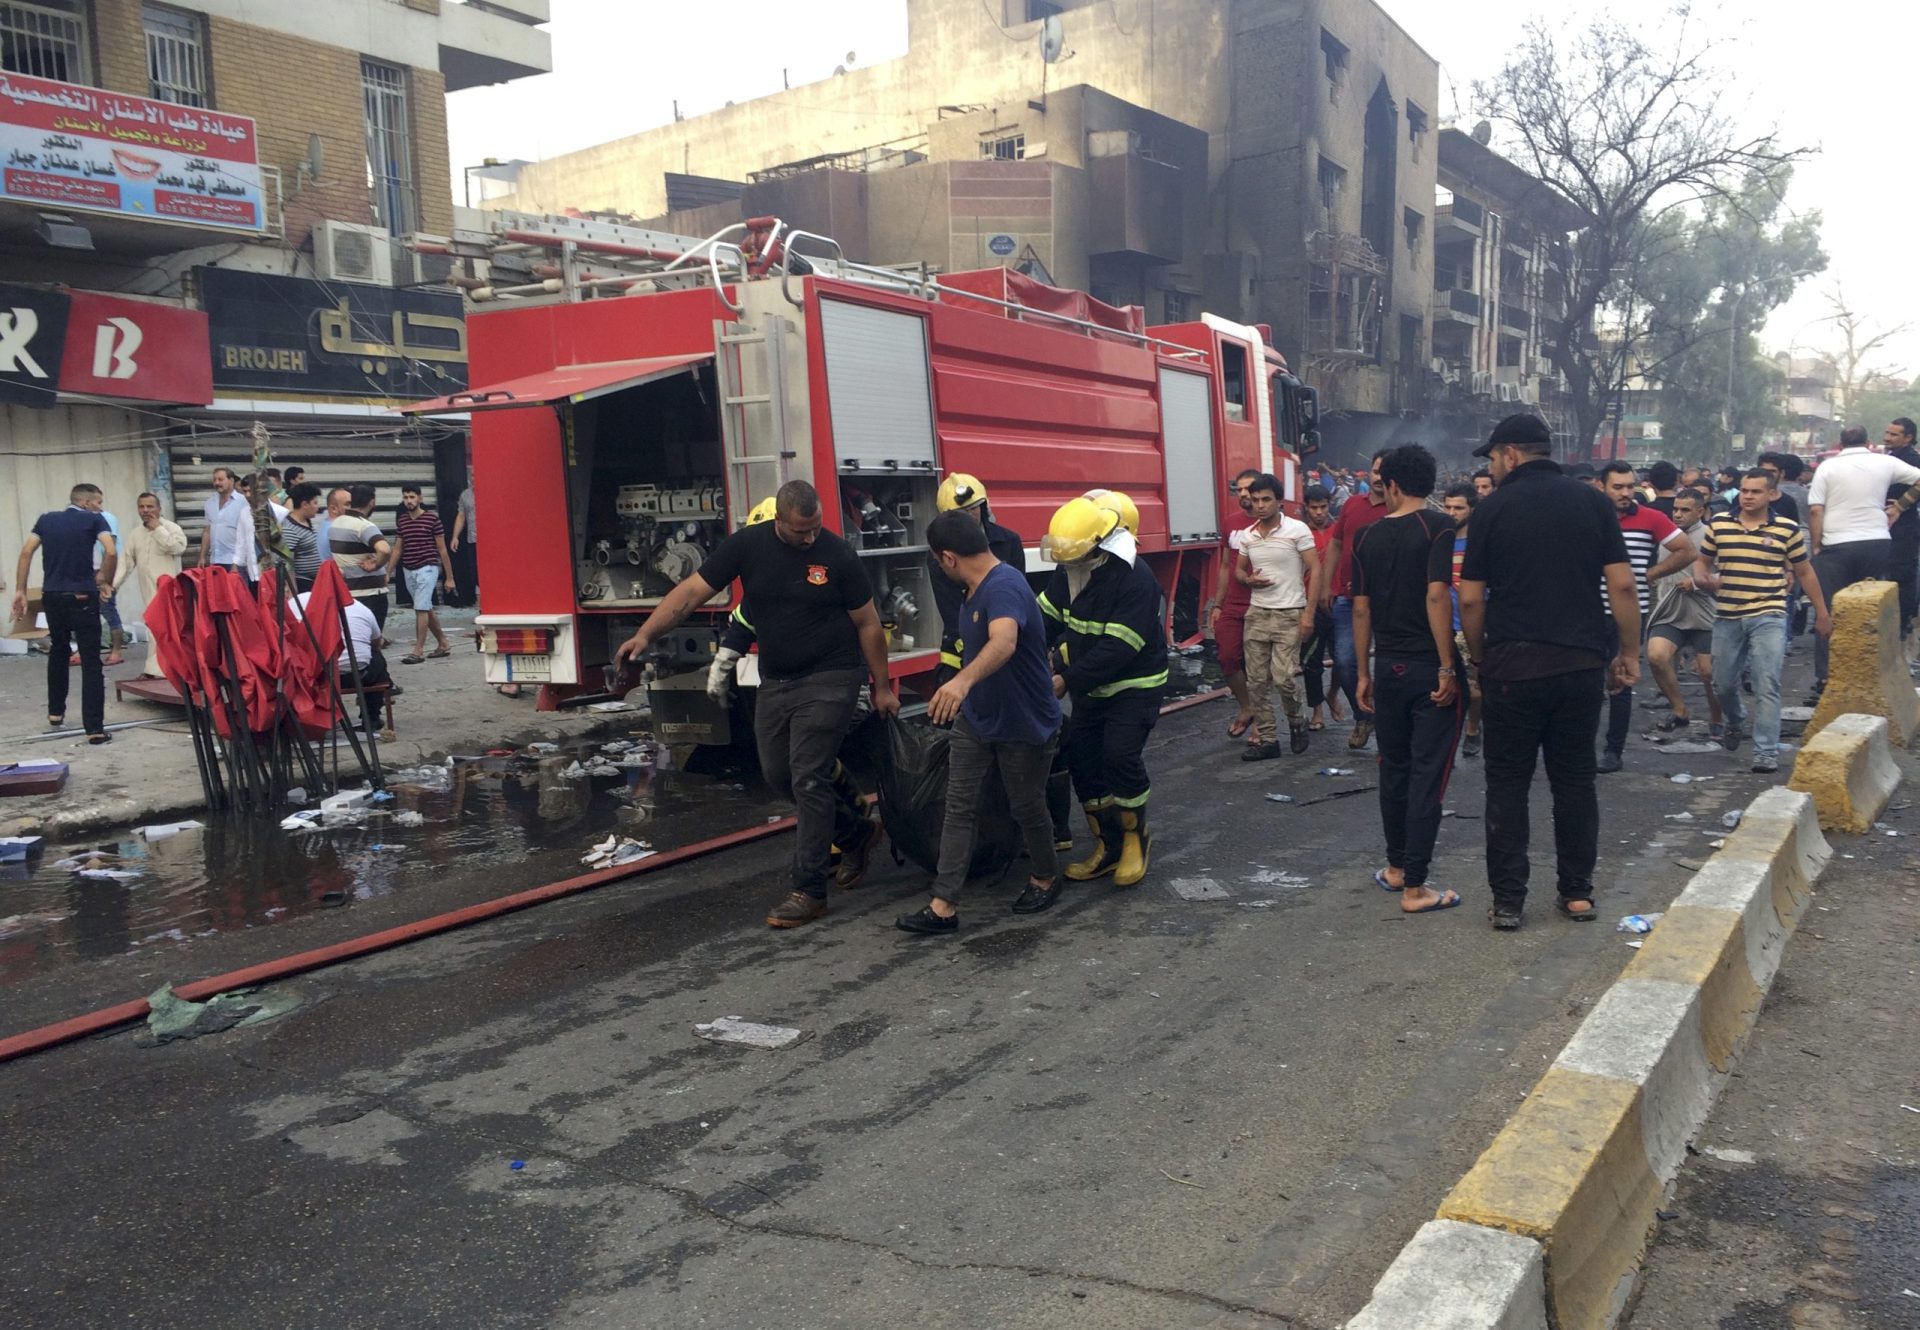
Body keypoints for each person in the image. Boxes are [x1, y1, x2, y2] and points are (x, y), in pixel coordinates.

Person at [615, 480, 898, 928]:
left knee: (807, 776)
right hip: (777, 680)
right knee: (778, 773)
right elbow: (690, 592)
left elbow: (867, 624)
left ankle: (808, 889)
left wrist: (881, 686)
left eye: (815, 529)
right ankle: (858, 833)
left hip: (832, 677)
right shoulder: (748, 546)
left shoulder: (838, 555)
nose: (809, 539)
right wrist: (645, 634)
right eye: (800, 531)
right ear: (778, 522)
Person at [1459, 414, 1639, 931]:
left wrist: (1478, 658)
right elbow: (1623, 587)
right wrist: (1628, 651)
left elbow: (1470, 598)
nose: (1492, 466)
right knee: (1575, 781)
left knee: (1508, 784)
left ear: (1511, 454)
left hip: (1512, 668)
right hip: (1579, 665)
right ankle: (1577, 893)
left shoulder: (1492, 509)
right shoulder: (1593, 503)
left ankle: (1509, 901)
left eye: (1493, 457)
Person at [896, 511, 1064, 934]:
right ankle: (943, 905)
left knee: (1025, 805)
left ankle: (1045, 875)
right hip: (979, 721)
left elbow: (1004, 641)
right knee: (959, 806)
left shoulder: (1004, 586)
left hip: (1024, 724)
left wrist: (961, 683)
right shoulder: (975, 588)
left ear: (948, 557)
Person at [1351, 445, 1464, 915]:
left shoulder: (1365, 536)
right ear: (1430, 484)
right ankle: (1416, 888)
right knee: (1427, 775)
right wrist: (1445, 665)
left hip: (1387, 666)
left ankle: (1397, 867)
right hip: (1426, 667)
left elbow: (1361, 607)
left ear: (1391, 484)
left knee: (1393, 768)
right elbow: (1438, 595)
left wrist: (1361, 672)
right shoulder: (1439, 527)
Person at [1039, 494, 1168, 888]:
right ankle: (1108, 845)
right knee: (1082, 758)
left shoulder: (1136, 580)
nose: (1069, 565)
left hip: (1134, 685)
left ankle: (1135, 840)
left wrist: (1064, 678)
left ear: (1101, 546)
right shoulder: (1071, 567)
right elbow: (1045, 616)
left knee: (1119, 755)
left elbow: (1117, 650)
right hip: (1090, 685)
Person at [1694, 470, 1833, 773]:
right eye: (1744, 490)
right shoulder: (1720, 524)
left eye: (1756, 491)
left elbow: (1805, 572)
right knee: (1722, 683)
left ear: (1771, 495)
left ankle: (1765, 752)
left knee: (1766, 681)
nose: (1747, 496)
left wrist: (1821, 613)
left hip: (1769, 613)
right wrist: (1702, 578)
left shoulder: (1786, 529)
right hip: (1728, 614)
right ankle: (1735, 719)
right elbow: (1703, 561)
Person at [1807, 424, 1920, 700]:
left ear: (1840, 443)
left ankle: (1827, 678)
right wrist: (1900, 506)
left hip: (1836, 545)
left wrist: (1817, 544)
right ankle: (1870, 676)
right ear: (1868, 442)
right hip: (1877, 543)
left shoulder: (1827, 468)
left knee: (1828, 612)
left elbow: (1815, 510)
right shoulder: (1886, 462)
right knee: (1870, 610)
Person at [1597, 460, 1695, 774]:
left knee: (1621, 683)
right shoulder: (1589, 516)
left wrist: (1649, 573)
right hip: (1589, 612)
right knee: (1585, 684)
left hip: (1629, 614)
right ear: (1603, 487)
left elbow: (1686, 550)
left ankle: (1613, 751)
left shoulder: (1650, 518)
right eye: (1618, 487)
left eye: (1630, 486)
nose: (1626, 493)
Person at [11, 485, 116, 743]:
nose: (100, 507)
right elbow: (111, 551)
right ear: (85, 501)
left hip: (53, 595)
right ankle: (94, 728)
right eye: (97, 502)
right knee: (91, 659)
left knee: (59, 649)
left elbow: (26, 552)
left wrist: (21, 591)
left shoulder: (46, 520)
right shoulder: (94, 520)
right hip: (82, 595)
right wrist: (105, 582)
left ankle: (55, 712)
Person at [1235, 471, 1320, 759]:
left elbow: (1315, 568)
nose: (1260, 505)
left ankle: (1297, 721)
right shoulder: (1248, 535)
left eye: (1266, 500)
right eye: (1255, 500)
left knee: (1284, 676)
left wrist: (1308, 614)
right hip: (1258, 612)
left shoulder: (1297, 530)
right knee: (1256, 680)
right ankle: (1268, 739)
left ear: (1279, 501)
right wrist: (1248, 580)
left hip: (1289, 612)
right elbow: (1237, 569)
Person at [1318, 449, 1391, 751]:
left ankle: (1391, 723)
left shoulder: (1400, 509)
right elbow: (1335, 545)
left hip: (1387, 601)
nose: (1378, 477)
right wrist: (1326, 585)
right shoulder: (1351, 504)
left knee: (1390, 666)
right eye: (1375, 470)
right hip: (1348, 597)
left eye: (1384, 472)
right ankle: (1363, 716)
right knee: (1346, 661)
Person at [926, 472, 1026, 687]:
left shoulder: (1009, 541)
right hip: (963, 640)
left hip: (1005, 637)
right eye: (961, 512)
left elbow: (1018, 602)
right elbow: (951, 610)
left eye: (974, 507)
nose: (970, 515)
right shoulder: (939, 556)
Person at [1644, 488, 1723, 737]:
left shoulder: (1713, 535)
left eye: (1685, 510)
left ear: (1700, 511)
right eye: (1675, 509)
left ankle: (1718, 718)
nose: (1677, 514)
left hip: (1705, 613)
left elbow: (1731, 573)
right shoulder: (1664, 534)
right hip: (1670, 610)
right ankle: (1679, 710)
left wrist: (1698, 582)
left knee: (1708, 673)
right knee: (1656, 656)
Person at [1207, 469, 1263, 741]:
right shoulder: (1231, 522)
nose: (1242, 494)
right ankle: (1247, 707)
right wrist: (1217, 605)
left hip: (1264, 604)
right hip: (1233, 604)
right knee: (1227, 658)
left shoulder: (1276, 522)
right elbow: (1226, 565)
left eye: (1248, 488)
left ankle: (1262, 722)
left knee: (1258, 666)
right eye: (1238, 489)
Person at [111, 493, 188, 678]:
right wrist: (113, 586)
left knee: (168, 629)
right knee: (154, 627)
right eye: (142, 507)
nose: (145, 511)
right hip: (148, 591)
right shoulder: (136, 533)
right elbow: (126, 562)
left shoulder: (171, 528)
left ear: (159, 508)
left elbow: (178, 548)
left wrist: (158, 529)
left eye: (150, 506)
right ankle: (157, 669)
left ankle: (164, 670)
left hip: (169, 590)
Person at [292, 590, 389, 735]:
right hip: (356, 674)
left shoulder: (295, 603)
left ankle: (313, 718)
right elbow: (376, 642)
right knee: (375, 658)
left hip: (315, 677)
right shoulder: (360, 607)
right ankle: (371, 717)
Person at [1299, 485, 1349, 732]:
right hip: (1309, 605)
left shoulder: (1338, 532)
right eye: (1313, 507)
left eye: (1323, 507)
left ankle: (1332, 692)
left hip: (1338, 602)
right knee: (1311, 662)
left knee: (1343, 659)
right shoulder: (1299, 533)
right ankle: (1317, 709)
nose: (1318, 512)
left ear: (1329, 505)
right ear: (1306, 507)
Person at [1440, 484, 1483, 756]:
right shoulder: (1439, 541)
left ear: (1471, 509)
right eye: (1448, 507)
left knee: (1475, 689)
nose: (1452, 513)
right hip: (1443, 626)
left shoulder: (1479, 543)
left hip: (1470, 626)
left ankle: (1473, 729)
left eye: (1459, 508)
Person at [393, 485, 455, 663]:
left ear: (420, 498)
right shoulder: (403, 521)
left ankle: (418, 651)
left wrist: (449, 577)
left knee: (420, 608)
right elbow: (397, 548)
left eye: (412, 497)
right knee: (425, 607)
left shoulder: (431, 519)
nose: (409, 501)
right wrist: (387, 571)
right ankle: (443, 643)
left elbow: (442, 549)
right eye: (405, 497)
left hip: (427, 568)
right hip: (409, 569)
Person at [328, 484, 395, 627]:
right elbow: (385, 549)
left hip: (348, 593)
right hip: (370, 595)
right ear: (372, 502)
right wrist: (377, 564)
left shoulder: (336, 523)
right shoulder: (363, 526)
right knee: (373, 642)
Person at [1883, 418, 1920, 654]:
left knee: (1902, 578)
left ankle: (1901, 628)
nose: (1887, 437)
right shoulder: (1888, 458)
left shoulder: (1911, 460)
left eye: (1894, 435)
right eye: (1887, 432)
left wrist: (1900, 506)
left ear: (1908, 438)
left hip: (1904, 530)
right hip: (1884, 529)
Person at [198, 467, 247, 572]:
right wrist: (202, 557)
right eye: (214, 480)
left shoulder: (243, 502)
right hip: (215, 560)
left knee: (236, 588)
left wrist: (237, 562)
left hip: (236, 562)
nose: (217, 483)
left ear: (231, 481)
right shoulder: (210, 503)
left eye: (220, 479)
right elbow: (207, 531)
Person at [280, 483, 325, 592]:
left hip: (315, 582)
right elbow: (286, 564)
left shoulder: (307, 522)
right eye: (315, 503)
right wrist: (292, 590)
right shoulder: (290, 529)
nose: (317, 507)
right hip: (303, 583)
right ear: (305, 504)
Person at [449, 475, 480, 609]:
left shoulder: (491, 491)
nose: (474, 477)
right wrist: (455, 536)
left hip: (491, 541)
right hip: (473, 539)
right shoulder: (465, 495)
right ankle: (481, 607)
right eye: (472, 475)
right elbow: (461, 515)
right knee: (475, 574)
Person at [317, 486, 350, 564]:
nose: (352, 508)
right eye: (347, 504)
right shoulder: (337, 530)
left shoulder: (325, 524)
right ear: (333, 509)